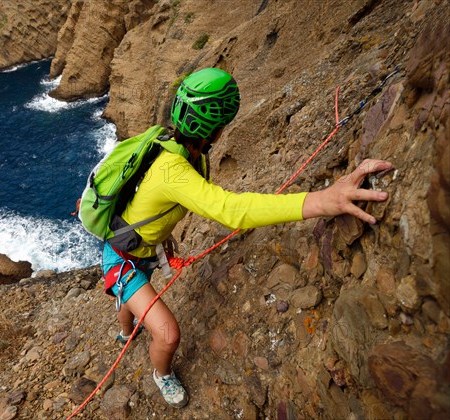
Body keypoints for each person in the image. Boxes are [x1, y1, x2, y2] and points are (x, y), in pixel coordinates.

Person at [101, 68, 392, 408]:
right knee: (167, 334)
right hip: (122, 260)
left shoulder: (183, 153)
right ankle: (160, 373)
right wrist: (322, 200)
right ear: (216, 128)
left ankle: (126, 329)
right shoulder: (177, 170)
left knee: (132, 298)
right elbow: (232, 210)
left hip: (140, 251)